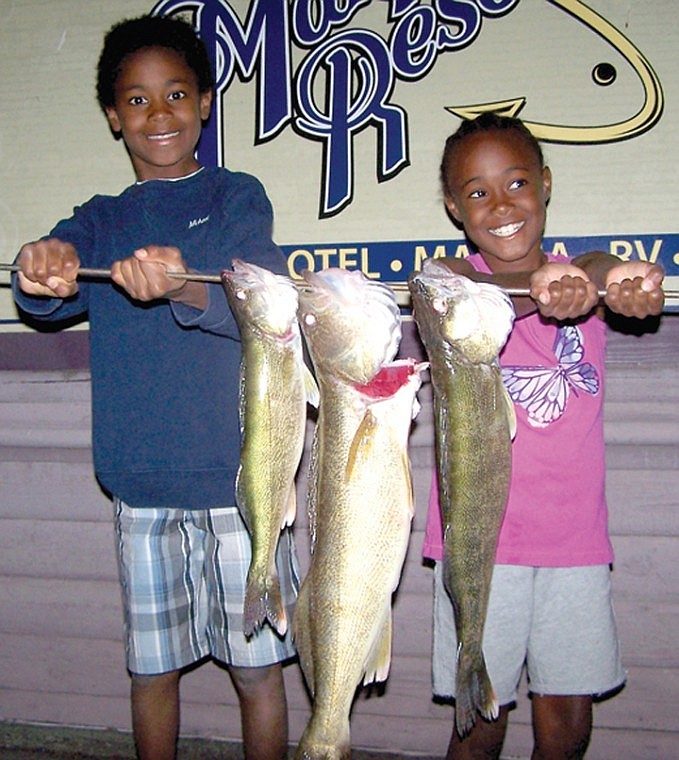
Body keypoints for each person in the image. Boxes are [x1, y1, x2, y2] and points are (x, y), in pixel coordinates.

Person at [12, 15, 298, 760]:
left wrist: (183, 286)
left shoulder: (238, 198)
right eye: (136, 100)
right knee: (152, 671)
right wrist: (39, 265)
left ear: (205, 102)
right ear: (114, 117)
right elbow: (45, 288)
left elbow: (262, 308)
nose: (159, 113)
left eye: (175, 93)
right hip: (139, 488)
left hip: (244, 485)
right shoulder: (101, 220)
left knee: (258, 677)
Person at [424, 112, 664, 760]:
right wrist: (531, 290)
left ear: (545, 186)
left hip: (574, 544)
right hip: (481, 548)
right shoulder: (451, 279)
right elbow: (453, 286)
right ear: (453, 206)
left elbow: (597, 263)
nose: (500, 205)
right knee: (480, 729)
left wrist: (617, 277)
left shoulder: (577, 277)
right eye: (476, 192)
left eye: (516, 183)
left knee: (567, 727)